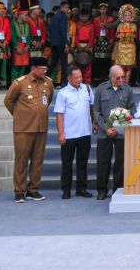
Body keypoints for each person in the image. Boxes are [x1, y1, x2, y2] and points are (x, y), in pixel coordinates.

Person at [4, 56, 53, 202]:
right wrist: (19, 114)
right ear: (34, 68)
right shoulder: (20, 83)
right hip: (24, 128)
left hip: (41, 127)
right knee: (22, 160)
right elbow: (8, 100)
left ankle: (33, 189)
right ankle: (19, 191)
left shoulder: (48, 83)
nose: (44, 71)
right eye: (42, 69)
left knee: (38, 160)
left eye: (46, 69)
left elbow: (48, 101)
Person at [92, 64, 134, 199]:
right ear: (111, 77)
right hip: (104, 132)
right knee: (103, 162)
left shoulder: (127, 89)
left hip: (121, 132)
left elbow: (132, 109)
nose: (121, 79)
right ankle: (101, 190)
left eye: (123, 77)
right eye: (118, 77)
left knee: (121, 162)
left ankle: (118, 188)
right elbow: (96, 112)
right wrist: (106, 128)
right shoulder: (100, 89)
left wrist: (122, 124)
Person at [55, 66, 95, 199]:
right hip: (69, 134)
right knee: (67, 163)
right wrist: (61, 134)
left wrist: (93, 123)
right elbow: (59, 115)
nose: (80, 79)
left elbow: (92, 107)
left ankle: (81, 189)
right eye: (77, 77)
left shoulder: (87, 89)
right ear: (69, 78)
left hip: (84, 132)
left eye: (81, 77)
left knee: (82, 163)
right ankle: (66, 190)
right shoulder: (63, 93)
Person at [48, 1, 69, 86]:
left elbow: (50, 30)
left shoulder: (54, 16)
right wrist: (66, 43)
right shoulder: (62, 16)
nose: (67, 10)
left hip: (54, 42)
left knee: (53, 62)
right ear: (62, 7)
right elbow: (63, 30)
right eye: (66, 8)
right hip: (61, 42)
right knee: (64, 62)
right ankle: (64, 82)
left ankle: (46, 77)